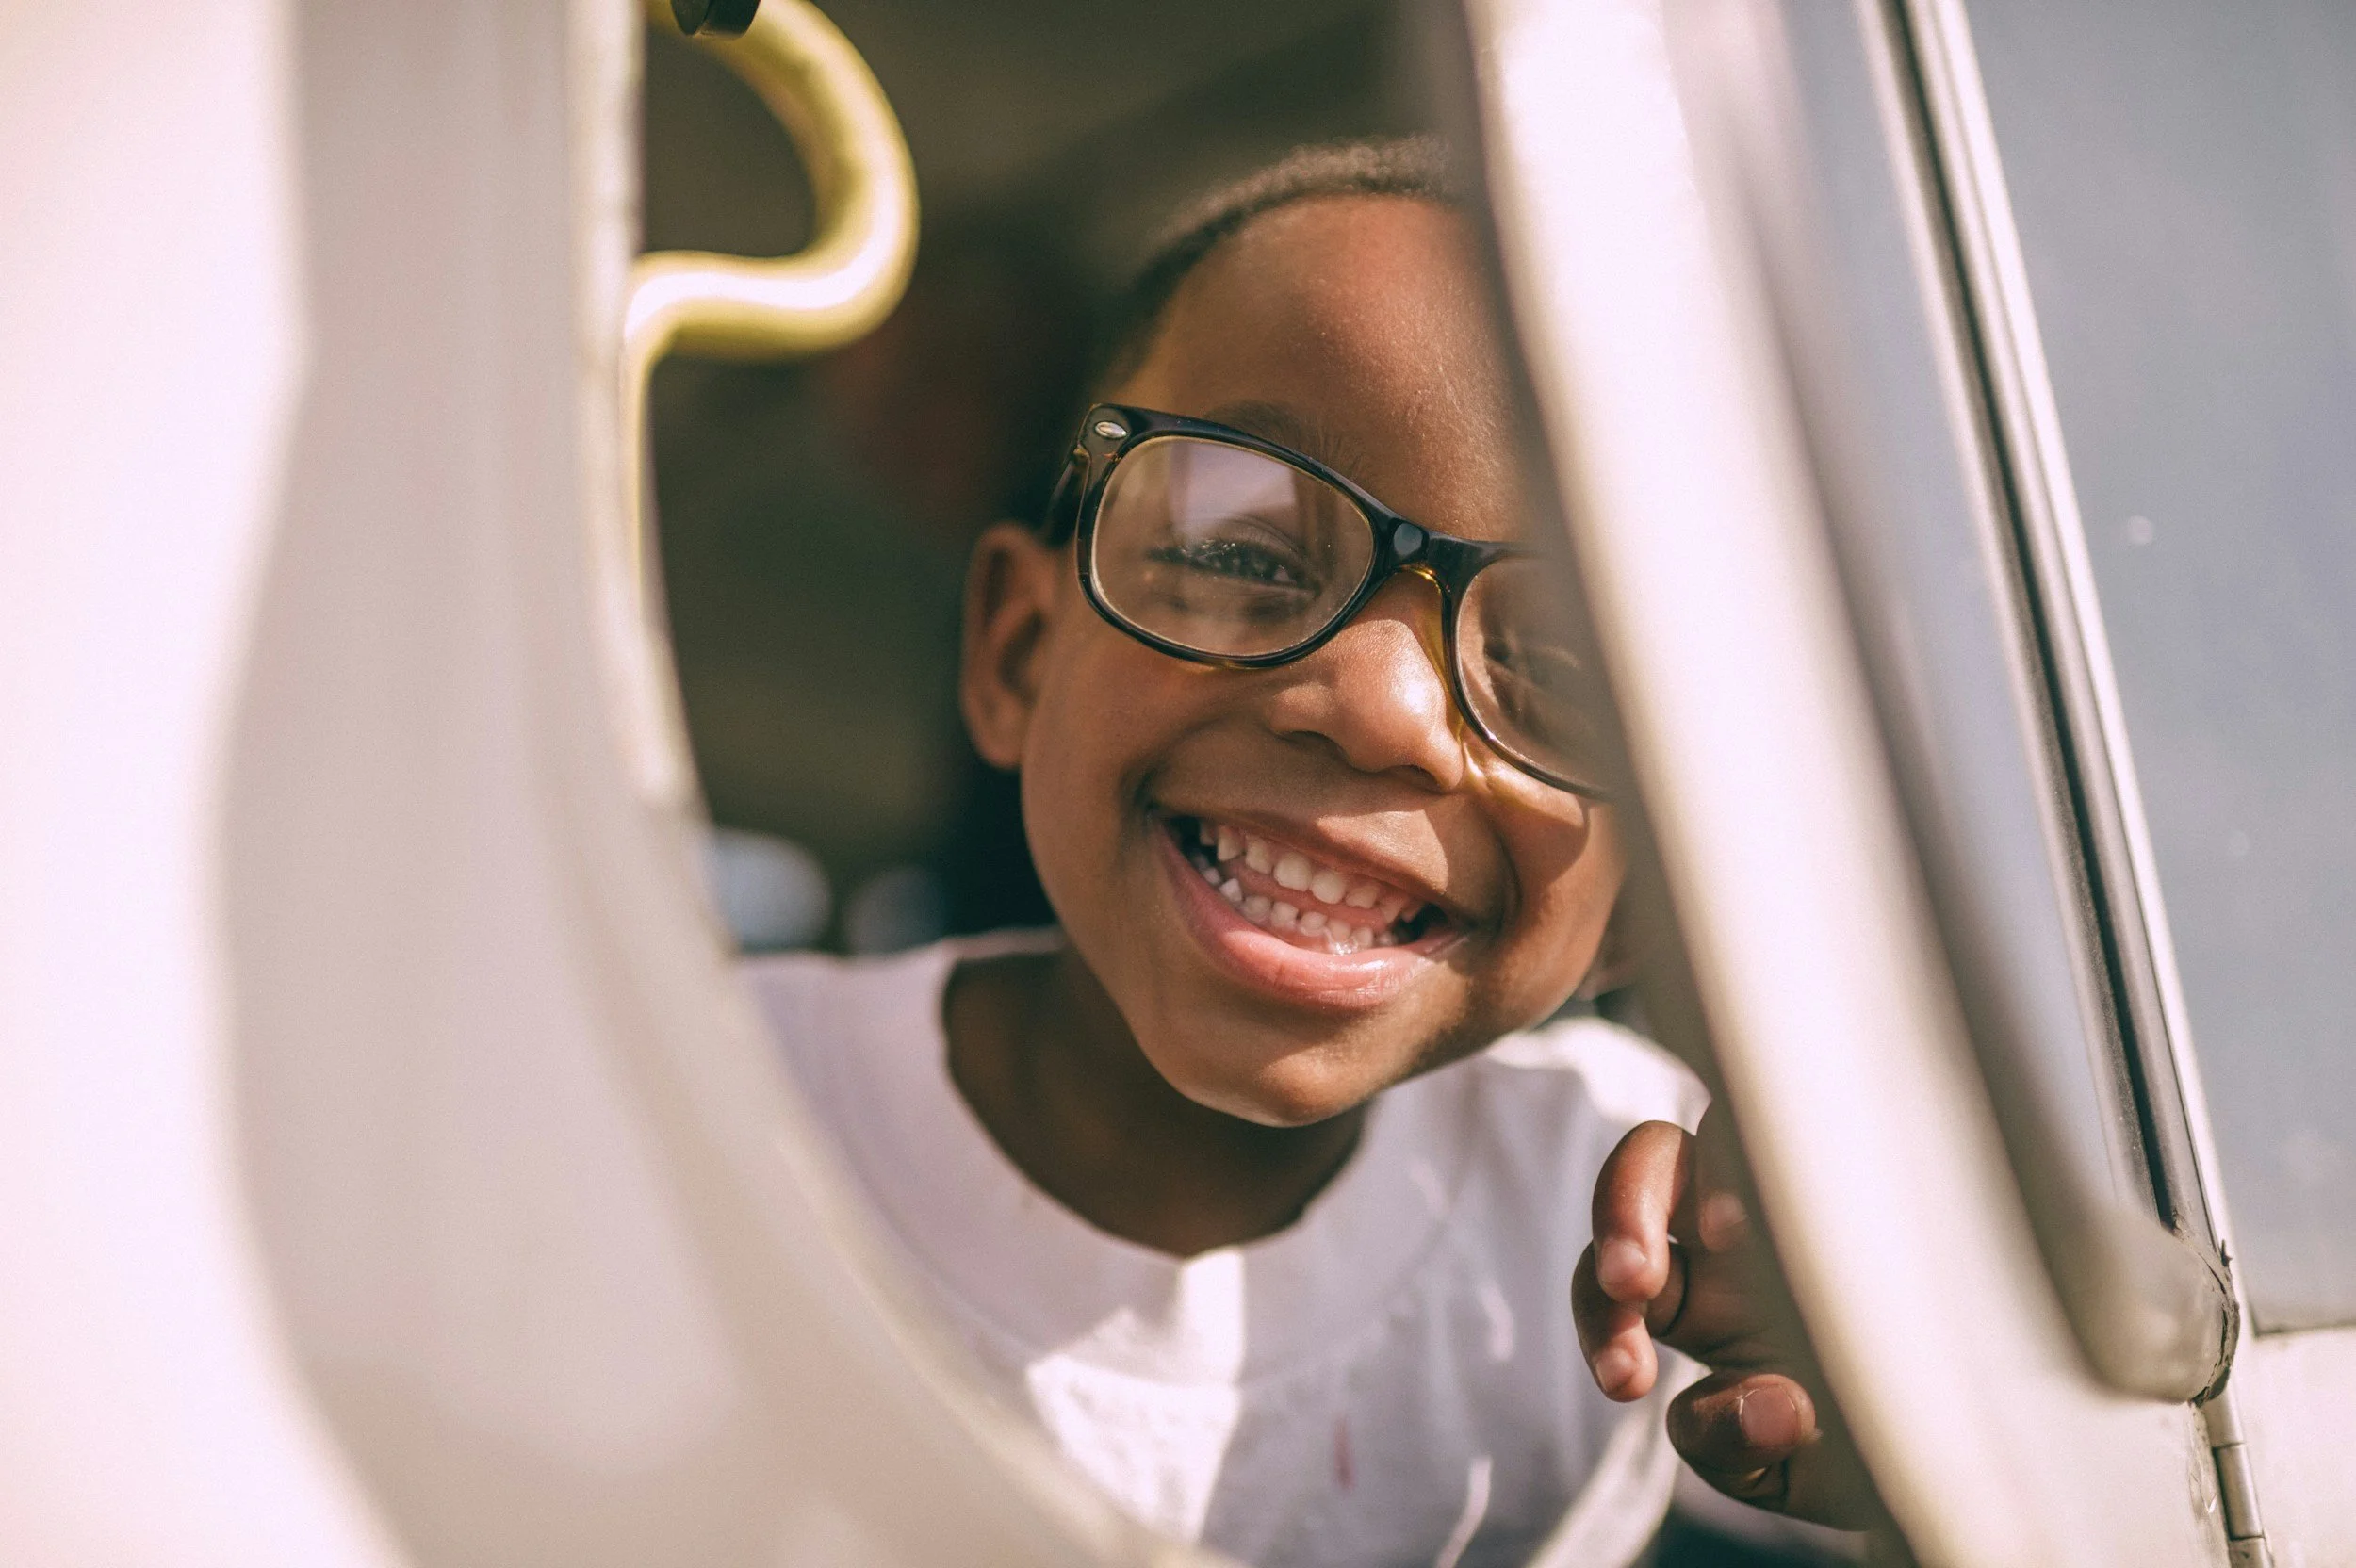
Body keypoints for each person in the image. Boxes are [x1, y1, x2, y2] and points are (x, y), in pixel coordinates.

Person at [745, 139, 1865, 1566]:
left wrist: (1912, 1409)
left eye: (1568, 667)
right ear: (1020, 654)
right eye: (1246, 552)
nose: (1382, 709)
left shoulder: (1615, 1241)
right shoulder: (692, 1089)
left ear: (1658, 886)